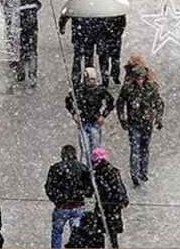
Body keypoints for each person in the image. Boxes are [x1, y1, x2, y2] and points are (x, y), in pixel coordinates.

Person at [117, 57, 165, 187]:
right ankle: (135, 173)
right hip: (134, 122)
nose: (139, 81)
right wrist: (123, 119)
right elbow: (120, 103)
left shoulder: (151, 88)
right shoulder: (128, 88)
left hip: (147, 122)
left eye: (141, 79)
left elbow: (159, 103)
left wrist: (158, 118)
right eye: (137, 79)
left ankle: (143, 171)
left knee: (144, 148)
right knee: (135, 148)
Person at [45, 145, 95, 249]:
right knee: (77, 234)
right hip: (77, 206)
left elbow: (49, 187)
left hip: (62, 207)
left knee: (57, 232)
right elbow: (90, 188)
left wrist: (57, 200)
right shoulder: (82, 168)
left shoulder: (56, 168)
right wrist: (83, 194)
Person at [67, 68, 117, 167]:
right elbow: (68, 101)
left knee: (96, 150)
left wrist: (103, 115)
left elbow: (110, 103)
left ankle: (96, 169)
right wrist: (74, 114)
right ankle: (84, 170)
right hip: (83, 122)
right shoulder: (79, 90)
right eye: (89, 80)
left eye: (93, 80)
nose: (91, 82)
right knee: (85, 150)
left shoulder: (100, 90)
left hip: (95, 123)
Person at [90, 148, 129, 249]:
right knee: (112, 233)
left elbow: (94, 191)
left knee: (101, 231)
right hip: (114, 206)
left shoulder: (97, 173)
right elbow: (120, 187)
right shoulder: (113, 170)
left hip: (105, 205)